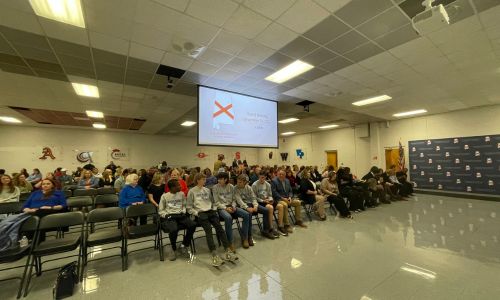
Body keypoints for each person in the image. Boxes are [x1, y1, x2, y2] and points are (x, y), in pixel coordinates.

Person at [187, 173, 237, 267]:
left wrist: (214, 209)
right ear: (197, 180)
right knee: (209, 230)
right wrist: (197, 213)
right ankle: (214, 254)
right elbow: (189, 208)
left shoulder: (207, 190)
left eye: (205, 179)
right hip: (201, 213)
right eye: (203, 179)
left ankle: (227, 250)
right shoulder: (192, 191)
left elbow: (213, 202)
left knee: (220, 229)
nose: (205, 181)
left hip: (211, 211)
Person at [158, 179, 195, 261]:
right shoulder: (165, 196)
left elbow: (184, 205)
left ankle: (184, 245)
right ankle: (173, 248)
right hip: (170, 215)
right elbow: (161, 210)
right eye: (178, 185)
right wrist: (166, 215)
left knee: (192, 225)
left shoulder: (181, 194)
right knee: (174, 229)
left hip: (180, 214)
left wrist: (183, 211)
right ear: (172, 187)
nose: (180, 186)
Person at [213, 172, 251, 249]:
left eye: (220, 179)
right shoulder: (215, 187)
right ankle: (230, 242)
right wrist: (226, 208)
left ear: (226, 179)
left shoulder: (231, 187)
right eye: (218, 179)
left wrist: (233, 206)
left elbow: (234, 199)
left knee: (246, 214)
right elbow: (216, 202)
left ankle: (245, 238)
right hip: (222, 208)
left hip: (231, 206)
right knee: (228, 218)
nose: (218, 180)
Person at [235, 174, 275, 241]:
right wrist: (247, 208)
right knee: (249, 214)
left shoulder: (248, 188)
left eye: (240, 182)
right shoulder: (235, 188)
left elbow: (253, 198)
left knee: (266, 210)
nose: (238, 184)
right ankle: (249, 236)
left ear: (245, 182)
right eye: (237, 182)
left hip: (251, 204)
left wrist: (255, 206)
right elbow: (239, 201)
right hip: (243, 206)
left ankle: (265, 230)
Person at [252, 171, 281, 238]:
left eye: (263, 178)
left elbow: (270, 194)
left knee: (279, 206)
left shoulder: (268, 184)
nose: (262, 179)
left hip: (267, 200)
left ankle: (276, 226)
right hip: (259, 202)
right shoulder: (254, 185)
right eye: (260, 177)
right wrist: (263, 200)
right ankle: (269, 228)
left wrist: (270, 199)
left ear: (265, 177)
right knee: (270, 208)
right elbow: (254, 197)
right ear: (258, 177)